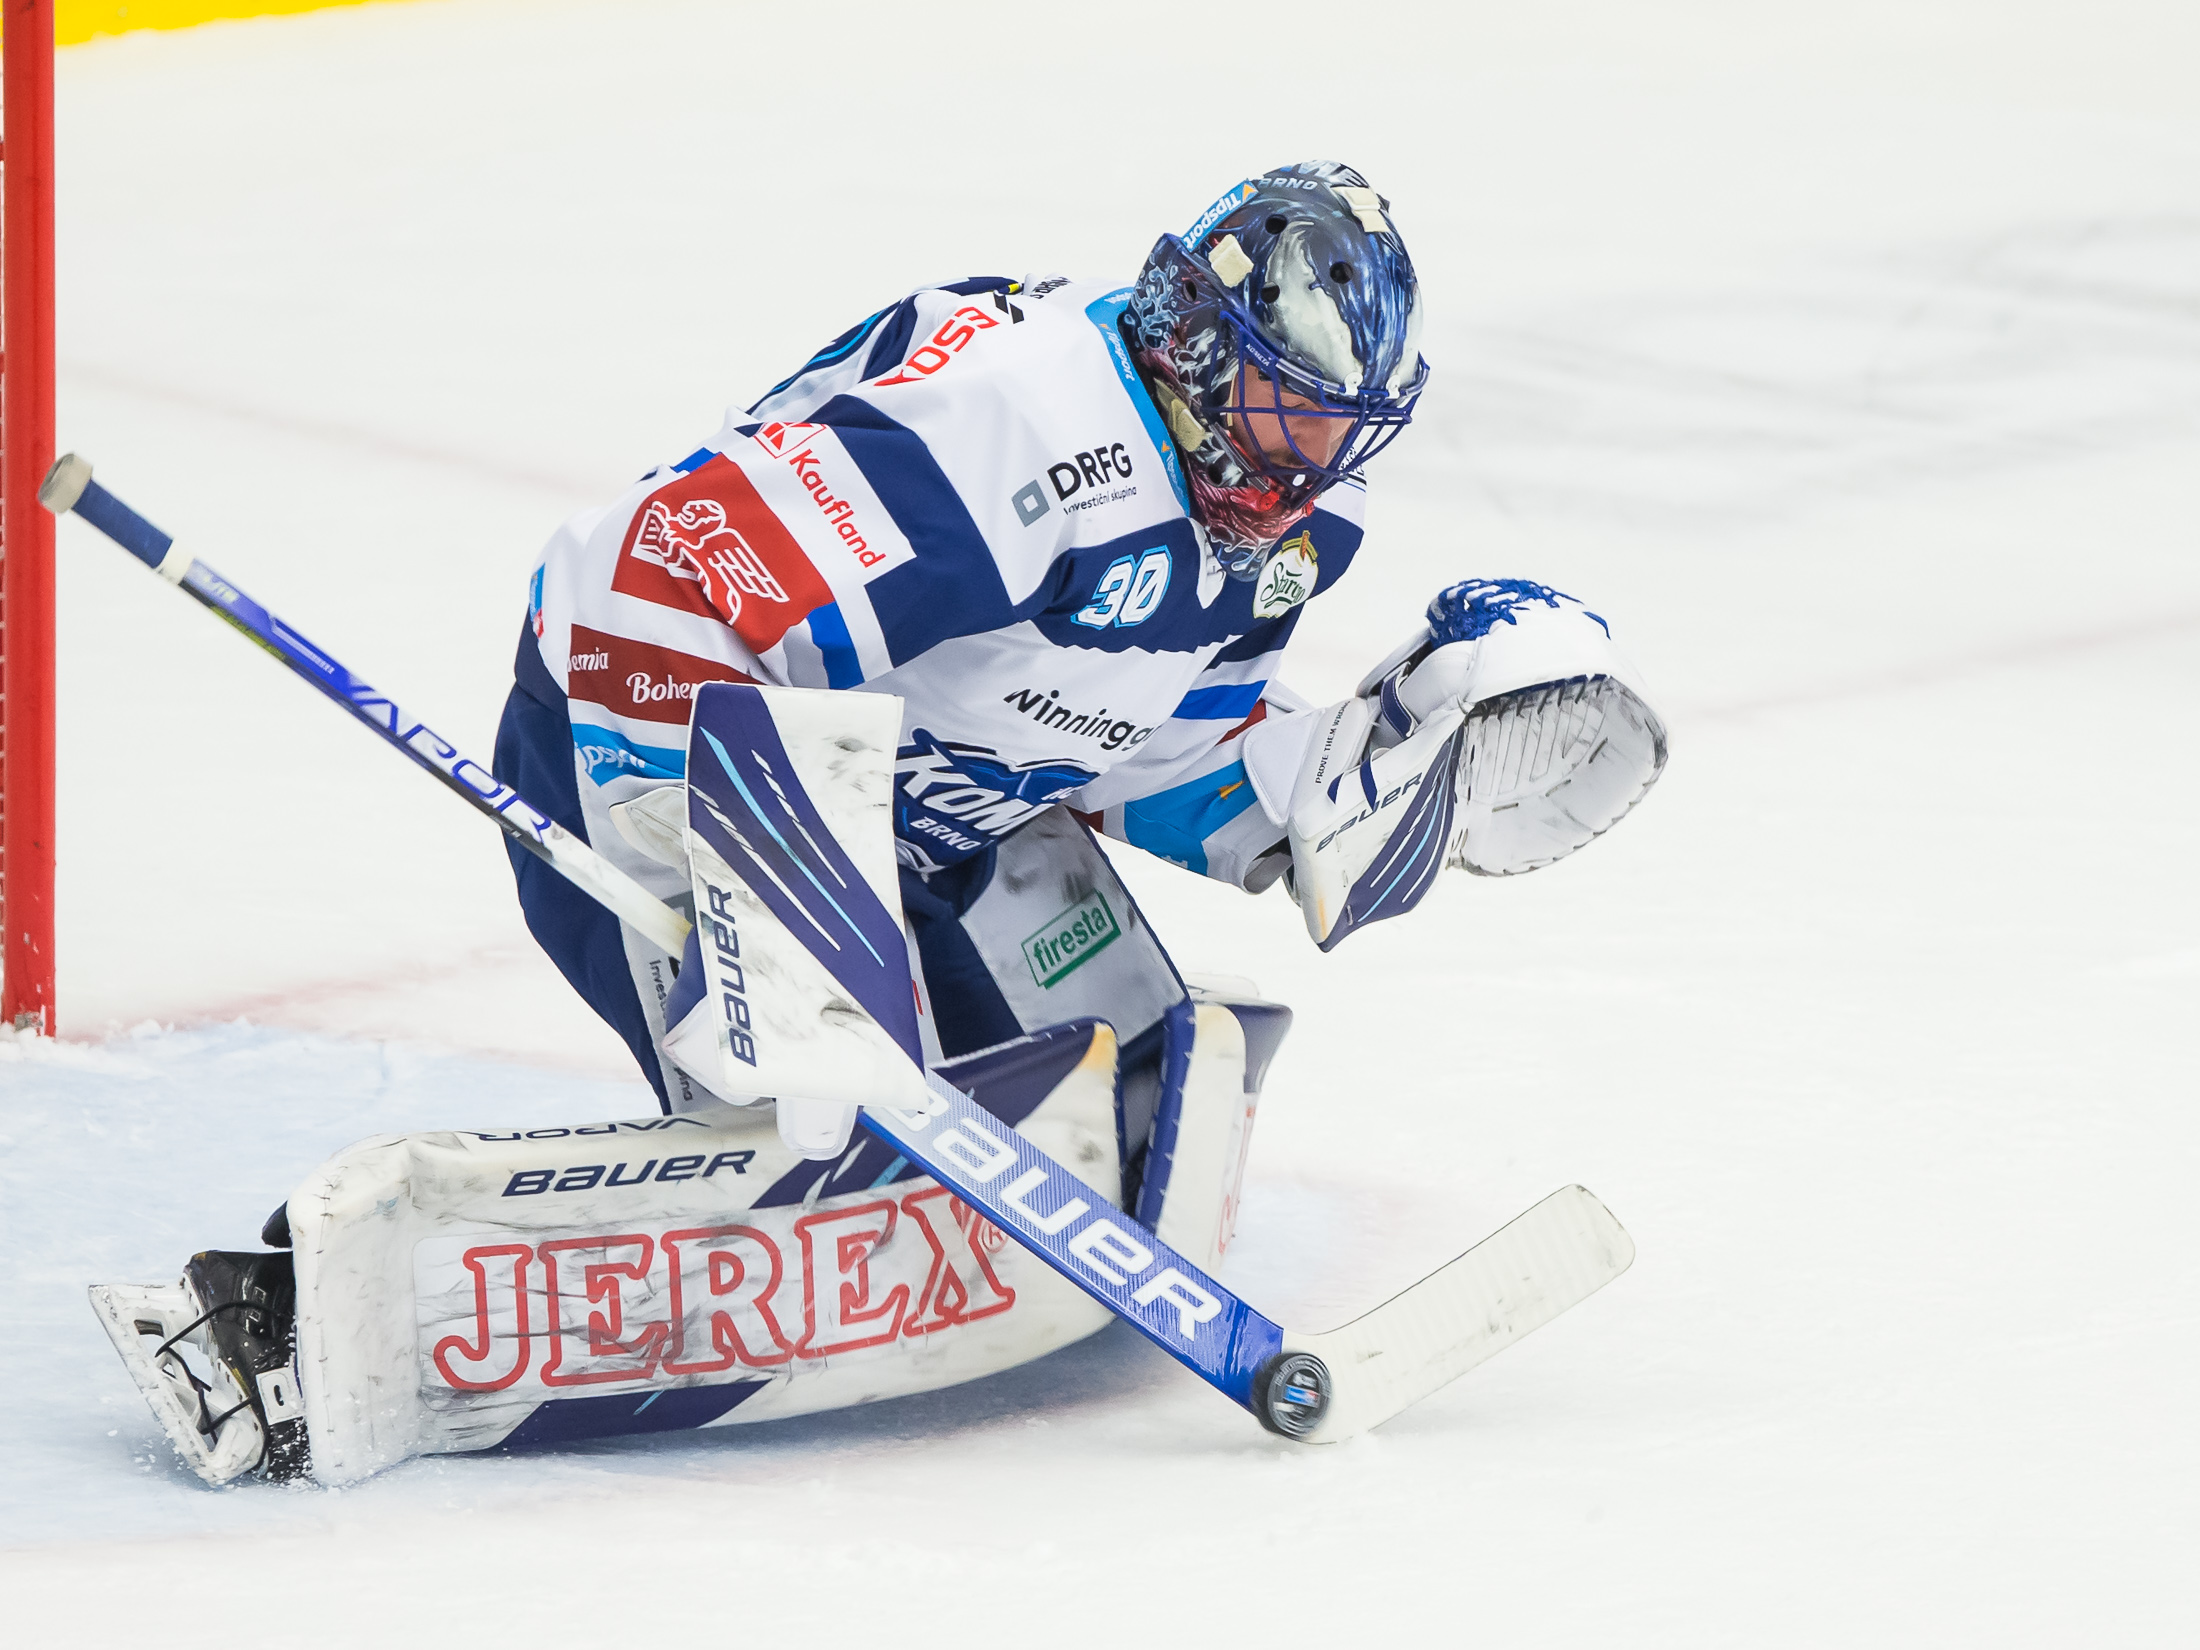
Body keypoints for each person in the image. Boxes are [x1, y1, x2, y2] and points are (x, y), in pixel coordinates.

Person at [101, 163, 1667, 1485]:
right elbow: (665, 573)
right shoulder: (1023, 428)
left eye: (1331, 433)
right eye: (1279, 416)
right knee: (816, 1137)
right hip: (643, 726)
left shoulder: (1288, 520)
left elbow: (1129, 739)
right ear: (1197, 342)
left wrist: (1346, 780)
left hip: (923, 803)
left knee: (1088, 1105)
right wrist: (790, 921)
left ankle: (860, 1098)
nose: (1301, 469)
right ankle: (281, 1324)